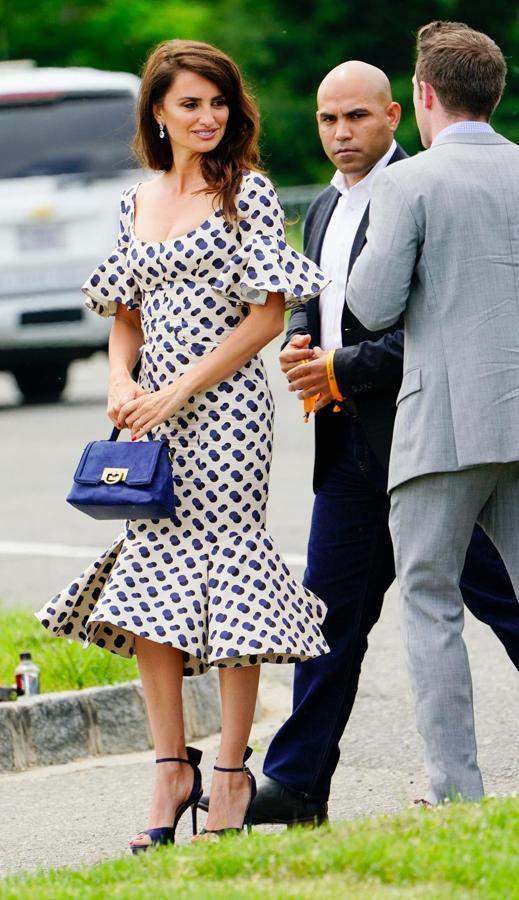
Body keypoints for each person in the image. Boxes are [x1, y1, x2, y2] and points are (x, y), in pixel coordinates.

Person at [199, 59, 519, 827]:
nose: (340, 134)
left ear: (397, 115)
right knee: (329, 616)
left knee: (501, 602)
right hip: (346, 448)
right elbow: (316, 302)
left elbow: (438, 334)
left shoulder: (424, 186)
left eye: (356, 118)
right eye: (326, 120)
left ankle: (442, 787)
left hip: (432, 436)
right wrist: (306, 353)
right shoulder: (320, 212)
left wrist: (339, 369)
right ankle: (299, 782)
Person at [36, 39, 330, 849]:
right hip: (151, 417)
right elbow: (122, 317)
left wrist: (179, 387)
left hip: (227, 413)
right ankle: (171, 767)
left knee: (230, 571)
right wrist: (119, 384)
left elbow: (267, 315)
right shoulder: (135, 203)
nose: (207, 117)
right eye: (189, 103)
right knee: (149, 584)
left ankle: (231, 772)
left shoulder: (250, 194)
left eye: (218, 102)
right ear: (157, 113)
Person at [347, 21, 519, 805]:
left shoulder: (405, 183)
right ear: (494, 92)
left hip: (443, 424)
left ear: (420, 95)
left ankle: (455, 789)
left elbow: (372, 305)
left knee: (427, 597)